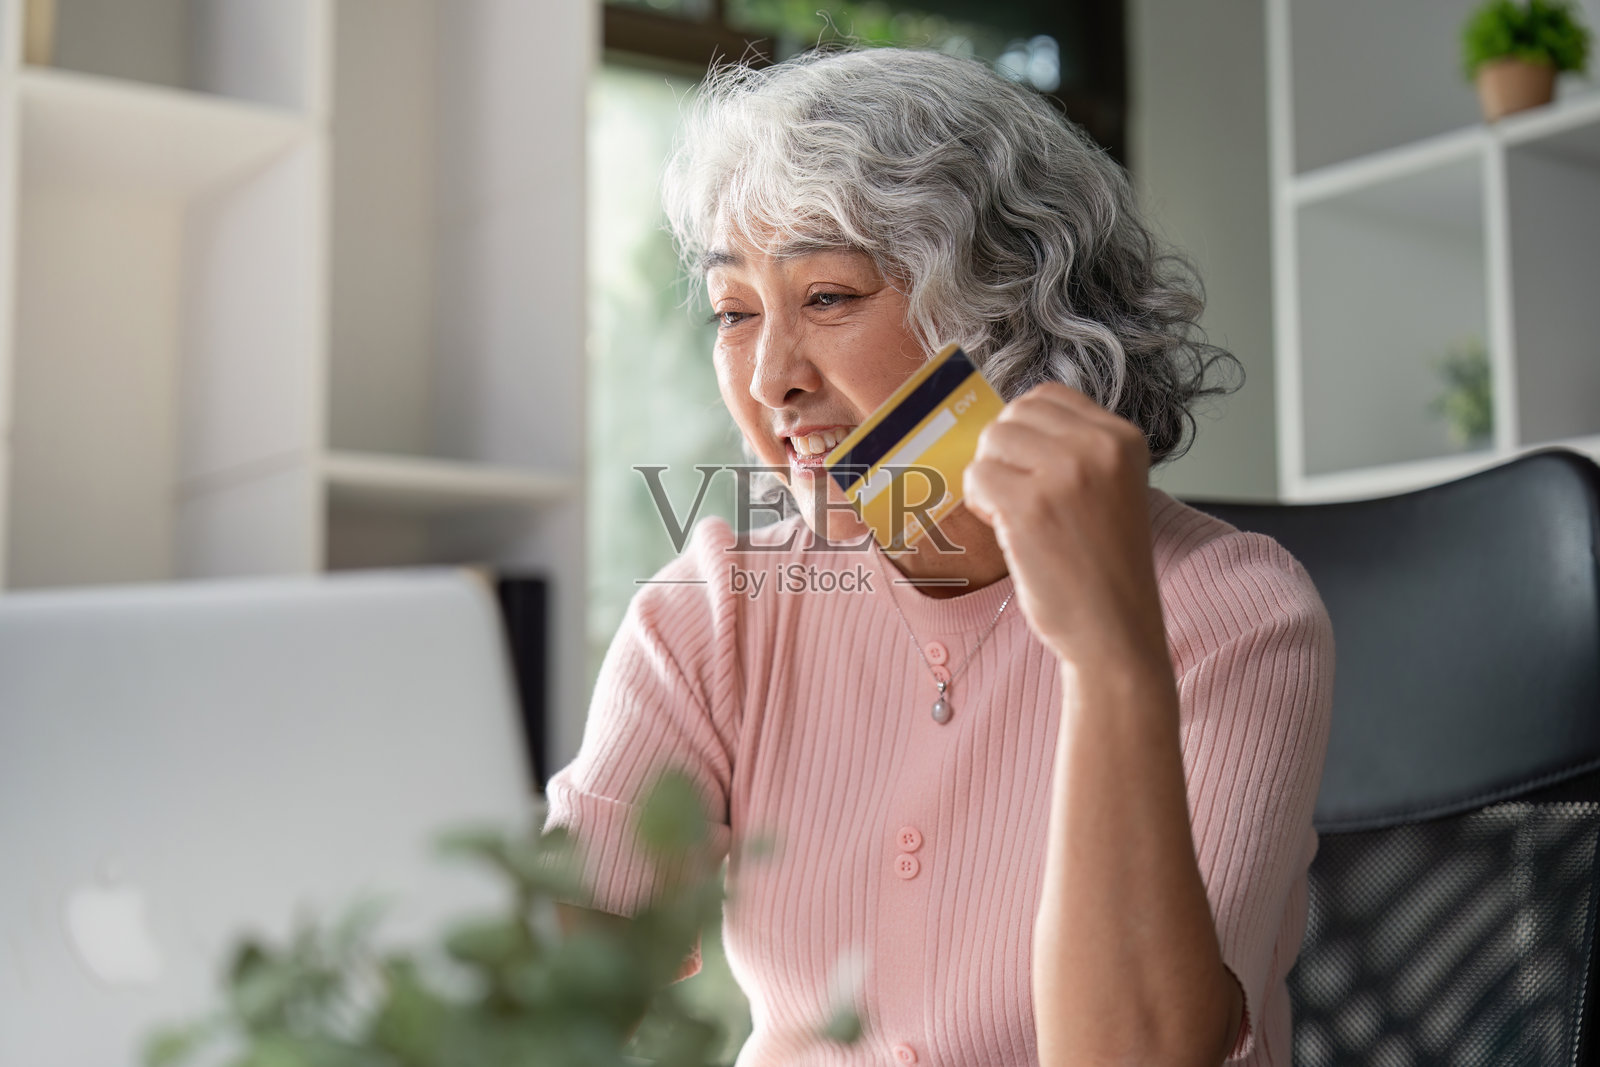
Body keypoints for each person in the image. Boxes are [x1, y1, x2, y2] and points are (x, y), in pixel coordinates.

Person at [547, 46, 1334, 1067]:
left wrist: (1108, 659)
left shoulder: (1232, 611)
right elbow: (557, 991)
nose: (771, 378)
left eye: (827, 297)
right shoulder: (718, 607)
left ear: (1007, 307)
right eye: (736, 312)